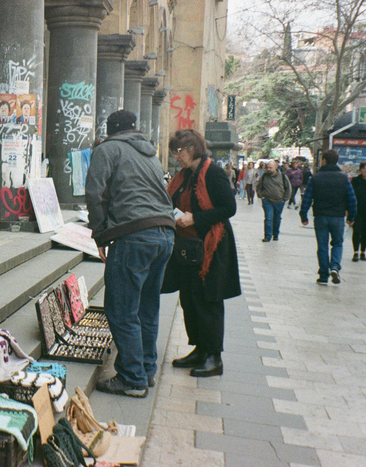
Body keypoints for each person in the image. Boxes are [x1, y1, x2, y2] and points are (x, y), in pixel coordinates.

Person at [85, 110, 175, 397]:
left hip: (134, 233)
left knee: (122, 309)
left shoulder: (107, 149)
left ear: (110, 130)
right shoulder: (149, 152)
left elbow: (95, 193)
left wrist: (100, 233)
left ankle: (133, 378)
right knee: (147, 306)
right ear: (134, 129)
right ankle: (146, 370)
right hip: (164, 233)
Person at [164, 129, 241, 378]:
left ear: (191, 149)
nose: (176, 157)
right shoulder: (185, 175)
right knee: (189, 299)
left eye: (178, 151)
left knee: (209, 302)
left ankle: (214, 357)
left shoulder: (214, 173)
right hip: (188, 249)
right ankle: (199, 349)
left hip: (211, 249)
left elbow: (229, 208)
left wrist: (195, 218)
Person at [299, 150, 357, 284]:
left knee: (322, 246)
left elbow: (307, 198)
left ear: (324, 160)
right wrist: (352, 216)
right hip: (338, 217)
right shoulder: (344, 178)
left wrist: (303, 215)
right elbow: (352, 199)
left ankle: (323, 275)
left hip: (320, 216)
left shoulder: (316, 178)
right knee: (337, 243)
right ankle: (335, 267)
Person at [256, 160, 291, 242]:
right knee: (268, 217)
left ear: (276, 167)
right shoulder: (264, 176)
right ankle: (267, 236)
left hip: (279, 201)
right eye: (267, 168)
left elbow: (288, 188)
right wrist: (261, 196)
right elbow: (258, 187)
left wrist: (284, 199)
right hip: (267, 201)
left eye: (270, 168)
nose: (268, 169)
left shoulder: (282, 176)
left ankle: (275, 234)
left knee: (277, 218)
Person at [351, 161, 366, 262]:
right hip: (357, 210)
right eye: (364, 168)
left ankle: (363, 252)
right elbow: (350, 195)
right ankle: (355, 251)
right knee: (357, 230)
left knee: (365, 231)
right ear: (360, 169)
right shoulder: (355, 181)